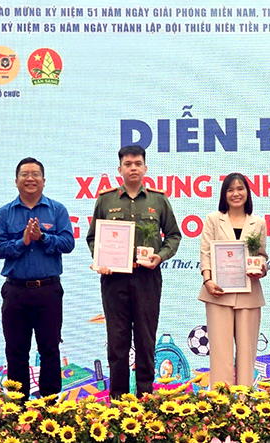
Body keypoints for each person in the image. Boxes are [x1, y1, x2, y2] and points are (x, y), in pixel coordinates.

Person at [86, 145, 181, 398]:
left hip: (146, 277)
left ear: (145, 168)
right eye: (128, 164)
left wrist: (160, 256)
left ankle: (145, 395)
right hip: (114, 279)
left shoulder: (158, 200)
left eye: (138, 163)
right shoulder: (106, 200)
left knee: (145, 339)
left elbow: (173, 235)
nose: (133, 168)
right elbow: (93, 238)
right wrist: (100, 259)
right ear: (119, 169)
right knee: (117, 341)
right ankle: (118, 400)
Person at [0, 157, 75, 400]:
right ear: (16, 181)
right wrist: (23, 242)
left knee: (50, 349)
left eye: (35, 174)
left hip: (48, 290)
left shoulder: (57, 210)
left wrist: (43, 238)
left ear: (44, 181)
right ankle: (17, 408)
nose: (30, 178)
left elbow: (68, 243)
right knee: (16, 351)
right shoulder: (4, 213)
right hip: (15, 291)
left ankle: (51, 407)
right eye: (24, 174)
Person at [199, 173, 267, 386]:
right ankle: (222, 401)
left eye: (240, 189)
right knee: (220, 352)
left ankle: (245, 400)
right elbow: (205, 253)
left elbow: (262, 256)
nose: (236, 194)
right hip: (218, 292)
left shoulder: (258, 222)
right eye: (230, 190)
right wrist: (208, 280)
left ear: (247, 192)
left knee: (247, 352)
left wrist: (260, 269)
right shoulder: (213, 219)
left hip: (249, 294)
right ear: (224, 194)